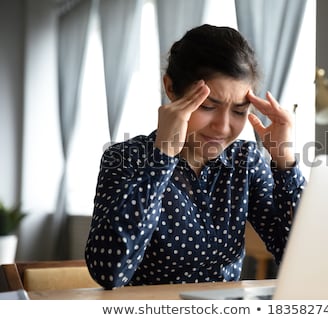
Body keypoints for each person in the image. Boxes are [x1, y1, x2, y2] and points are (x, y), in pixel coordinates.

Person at [85, 24, 306, 289]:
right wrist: (162, 157)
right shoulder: (124, 158)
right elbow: (109, 273)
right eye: (207, 106)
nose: (223, 127)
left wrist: (285, 161)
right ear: (170, 87)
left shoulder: (245, 161)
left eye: (239, 112)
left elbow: (298, 255)